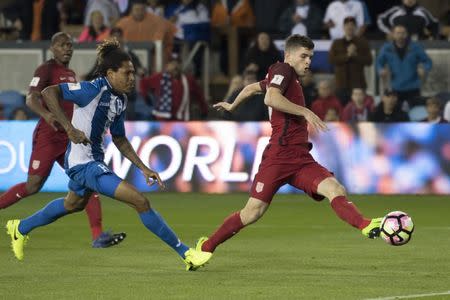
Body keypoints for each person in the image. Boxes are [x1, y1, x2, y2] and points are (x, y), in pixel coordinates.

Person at [5, 38, 212, 271]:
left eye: (133, 73)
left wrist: (143, 168)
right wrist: (69, 128)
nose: (132, 78)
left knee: (72, 205)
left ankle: (20, 228)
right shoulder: (90, 89)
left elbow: (120, 139)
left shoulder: (120, 100)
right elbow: (48, 92)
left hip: (93, 160)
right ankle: (186, 254)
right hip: (84, 165)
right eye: (127, 73)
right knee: (140, 201)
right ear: (111, 73)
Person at [198, 35, 382, 262]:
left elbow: (252, 89)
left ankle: (365, 225)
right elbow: (271, 98)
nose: (308, 62)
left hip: (301, 158)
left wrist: (232, 105)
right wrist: (305, 111)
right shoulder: (282, 69)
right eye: (304, 56)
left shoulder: (285, 78)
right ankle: (206, 247)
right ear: (288, 55)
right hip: (279, 155)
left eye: (311, 57)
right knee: (252, 212)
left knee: (335, 189)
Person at [0, 32, 124, 248]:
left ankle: (98, 235)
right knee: (33, 186)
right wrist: (47, 114)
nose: (67, 48)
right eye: (62, 45)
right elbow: (31, 98)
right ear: (52, 48)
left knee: (88, 181)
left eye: (70, 44)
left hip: (69, 137)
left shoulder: (70, 73)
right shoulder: (46, 69)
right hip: (49, 136)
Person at [376, 24, 432, 110]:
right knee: (396, 113)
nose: (400, 35)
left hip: (413, 88)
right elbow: (379, 62)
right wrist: (380, 70)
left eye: (403, 33)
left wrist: (424, 68)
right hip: (395, 88)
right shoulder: (387, 48)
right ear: (393, 34)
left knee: (416, 114)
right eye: (398, 33)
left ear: (406, 34)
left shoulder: (415, 47)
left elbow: (427, 61)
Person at [140, 58, 208, 120]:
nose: (175, 66)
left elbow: (199, 95)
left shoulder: (189, 80)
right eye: (172, 64)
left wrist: (204, 109)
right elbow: (144, 83)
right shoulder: (159, 77)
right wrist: (145, 96)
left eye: (177, 63)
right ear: (167, 66)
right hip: (162, 119)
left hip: (181, 118)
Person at [328, 16, 372, 106]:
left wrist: (355, 55)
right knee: (341, 111)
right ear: (343, 27)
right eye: (347, 25)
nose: (349, 27)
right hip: (341, 84)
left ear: (355, 27)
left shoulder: (362, 42)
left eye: (352, 25)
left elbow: (369, 61)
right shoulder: (337, 43)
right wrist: (347, 55)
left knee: (358, 110)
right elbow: (331, 60)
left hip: (358, 84)